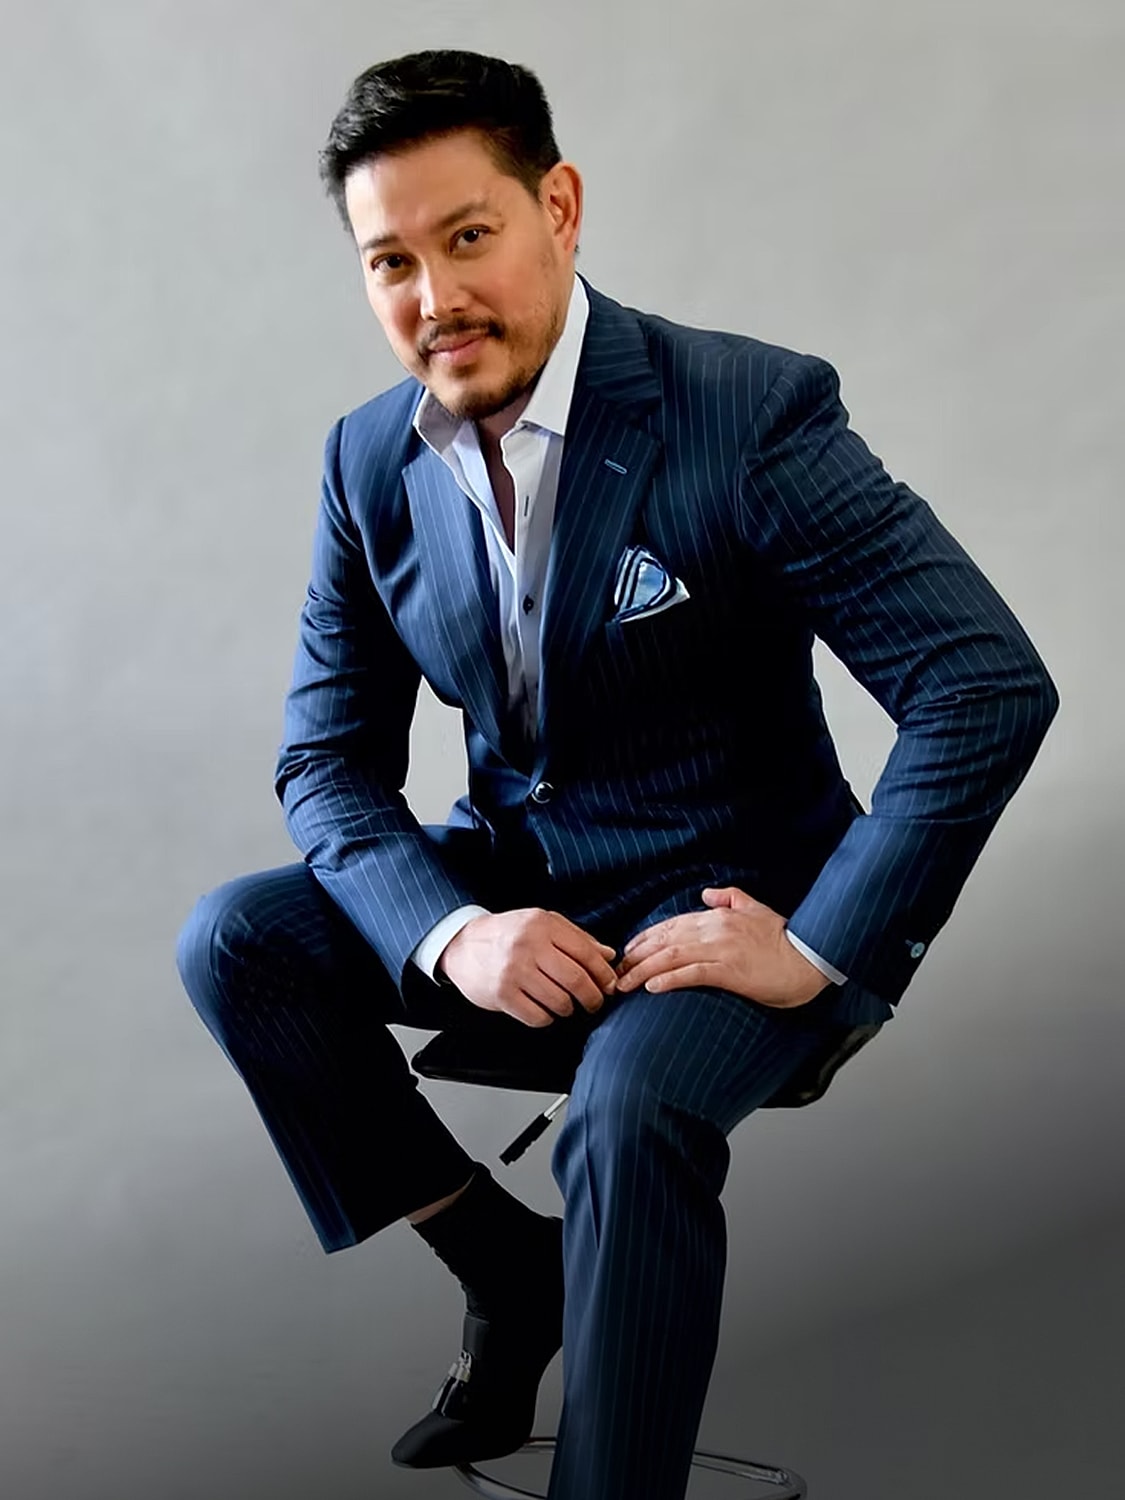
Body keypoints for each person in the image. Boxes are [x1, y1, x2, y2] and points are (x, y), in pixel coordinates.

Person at [175, 47, 1058, 1500]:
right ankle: (510, 1273)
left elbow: (981, 685)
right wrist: (456, 933)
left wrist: (822, 948)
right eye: (388, 260)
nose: (432, 298)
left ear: (559, 207)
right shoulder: (364, 461)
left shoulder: (744, 413)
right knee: (241, 943)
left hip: (735, 902)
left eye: (468, 237)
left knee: (626, 1115)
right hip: (530, 892)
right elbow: (326, 764)